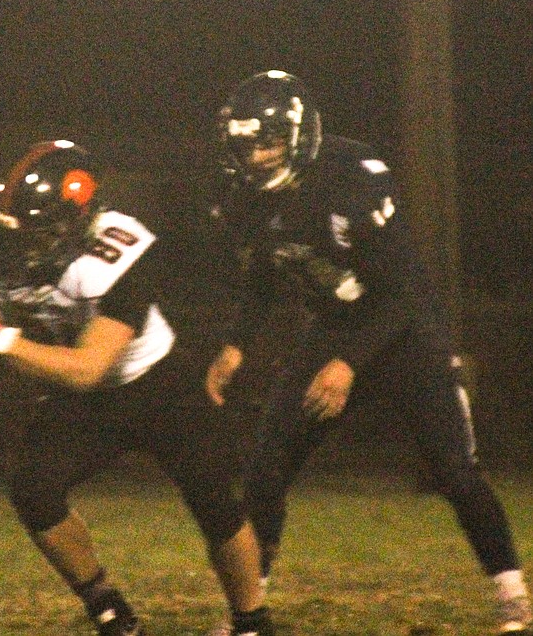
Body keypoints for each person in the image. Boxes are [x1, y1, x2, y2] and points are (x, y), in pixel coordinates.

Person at [204, 70, 532, 634]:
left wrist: (348, 363)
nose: (256, 158)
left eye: (268, 143)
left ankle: (513, 595)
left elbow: (400, 289)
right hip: (333, 330)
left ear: (299, 136)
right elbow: (264, 272)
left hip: (404, 331)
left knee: (454, 470)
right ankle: (250, 606)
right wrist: (236, 344)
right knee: (265, 466)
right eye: (245, 146)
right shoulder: (245, 200)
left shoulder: (353, 176)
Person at [0, 140, 273, 636]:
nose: (21, 245)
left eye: (38, 234)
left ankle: (253, 622)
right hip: (77, 388)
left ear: (75, 226)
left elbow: (89, 368)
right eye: (14, 230)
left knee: (214, 499)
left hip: (151, 382)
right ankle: (108, 608)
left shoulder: (122, 251)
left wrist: (0, 341)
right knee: (34, 492)